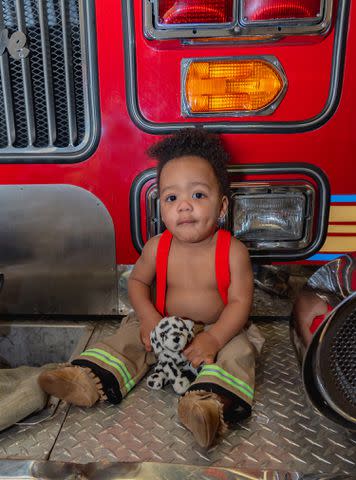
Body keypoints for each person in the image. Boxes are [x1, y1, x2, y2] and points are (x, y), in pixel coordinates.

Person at [38, 129, 264, 448]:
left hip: (217, 328)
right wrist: (148, 318)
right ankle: (87, 379)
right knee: (128, 337)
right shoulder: (157, 247)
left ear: (223, 205)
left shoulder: (233, 251)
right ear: (161, 207)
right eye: (172, 198)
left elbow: (240, 303)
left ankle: (207, 406)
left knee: (239, 351)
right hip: (163, 324)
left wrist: (214, 338)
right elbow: (138, 282)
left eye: (198, 195)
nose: (184, 206)